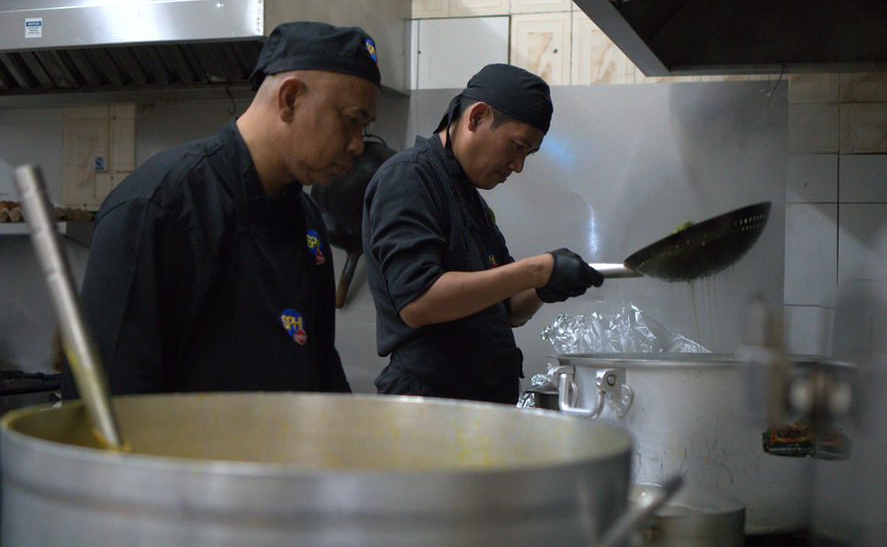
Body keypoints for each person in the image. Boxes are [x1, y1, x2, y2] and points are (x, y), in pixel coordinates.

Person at [60, 21, 381, 398]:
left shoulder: (307, 221)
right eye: (351, 121)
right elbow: (106, 392)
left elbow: (320, 366)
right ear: (290, 98)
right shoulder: (163, 204)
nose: (359, 144)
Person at [362, 63, 602, 405]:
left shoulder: (467, 197)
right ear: (476, 117)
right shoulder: (409, 178)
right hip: (431, 407)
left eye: (528, 154)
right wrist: (536, 270)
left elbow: (508, 310)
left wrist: (544, 286)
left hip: (479, 406)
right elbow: (418, 302)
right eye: (517, 146)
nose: (518, 166)